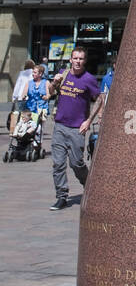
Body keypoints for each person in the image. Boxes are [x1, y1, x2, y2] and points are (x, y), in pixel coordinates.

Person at [45, 47, 103, 211]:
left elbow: (99, 99)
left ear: (84, 61)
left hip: (77, 128)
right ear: (71, 59)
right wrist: (54, 82)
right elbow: (51, 92)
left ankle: (89, 187)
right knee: (58, 164)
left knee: (76, 163)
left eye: (81, 59)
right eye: (75, 58)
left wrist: (88, 120)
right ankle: (61, 196)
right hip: (60, 126)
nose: (77, 61)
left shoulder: (88, 79)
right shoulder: (63, 74)